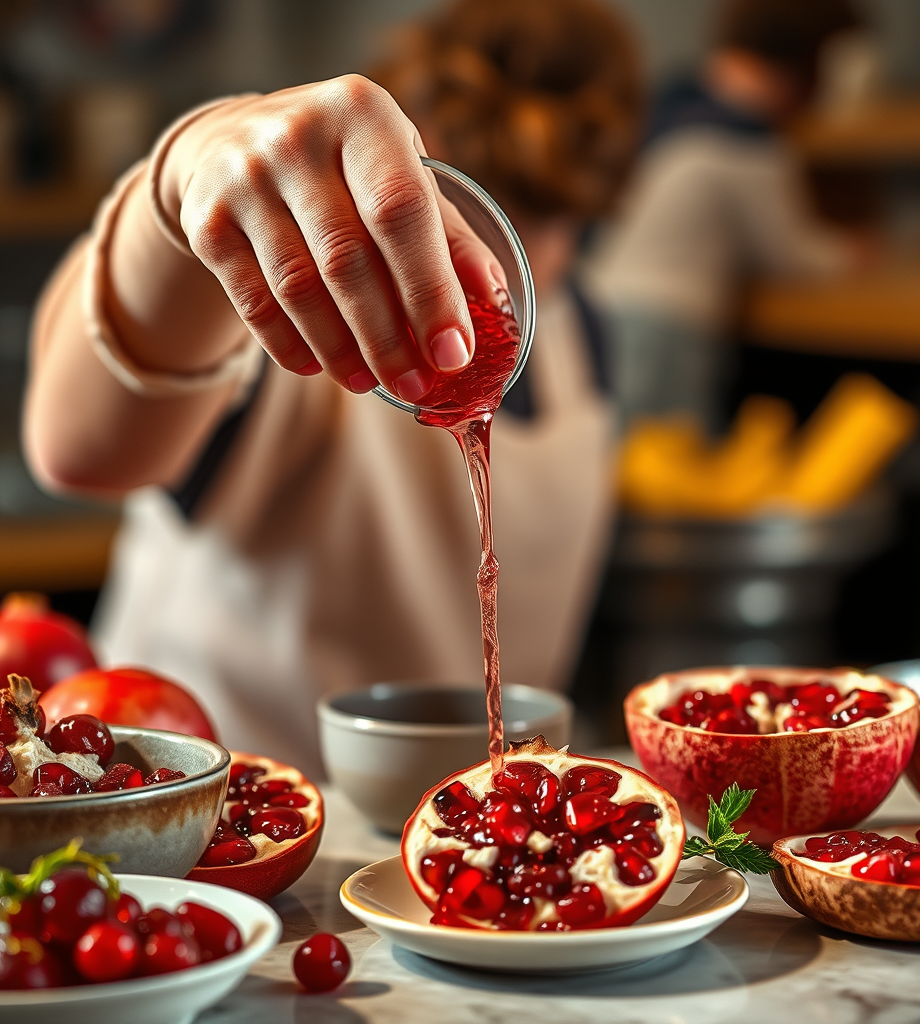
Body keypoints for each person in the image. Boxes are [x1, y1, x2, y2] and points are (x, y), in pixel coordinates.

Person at [23, 0, 643, 776]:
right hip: (209, 814)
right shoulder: (273, 300)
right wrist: (182, 181)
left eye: (543, 223)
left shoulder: (585, 332)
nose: (489, 261)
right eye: (451, 211)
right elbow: (83, 451)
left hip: (465, 832)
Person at [587, 0, 867, 430]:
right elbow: (790, 256)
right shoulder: (747, 139)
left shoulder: (670, 106)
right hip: (666, 328)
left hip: (605, 305)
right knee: (675, 472)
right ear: (806, 70)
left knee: (624, 463)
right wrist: (852, 253)